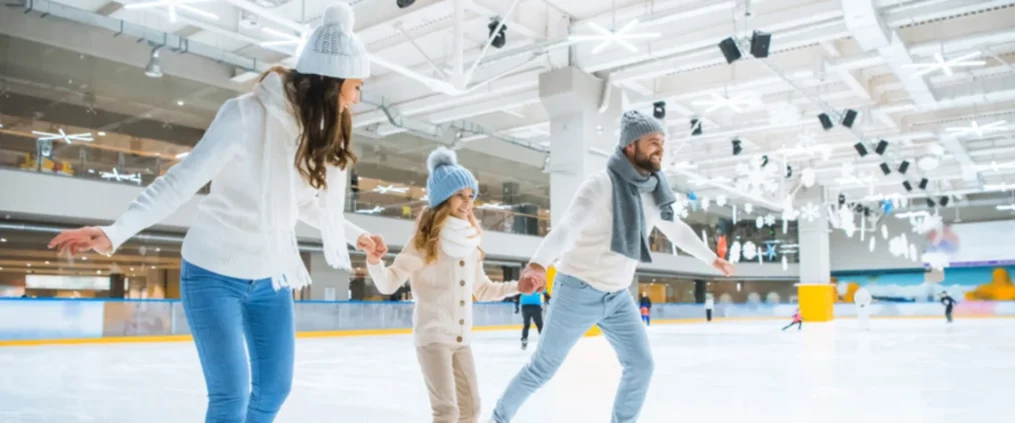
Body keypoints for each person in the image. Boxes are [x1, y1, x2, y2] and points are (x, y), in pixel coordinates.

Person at [47, 4, 386, 422]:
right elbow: (180, 181)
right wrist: (116, 230)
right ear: (331, 83)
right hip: (212, 274)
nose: (357, 99)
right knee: (230, 396)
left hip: (271, 276)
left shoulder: (310, 135)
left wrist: (357, 236)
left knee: (274, 390)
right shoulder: (244, 115)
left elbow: (304, 204)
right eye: (356, 86)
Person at [487, 111, 734, 423]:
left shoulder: (654, 190)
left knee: (641, 365)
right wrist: (538, 264)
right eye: (653, 142)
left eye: (662, 143)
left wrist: (712, 258)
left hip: (617, 296)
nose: (660, 148)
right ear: (630, 146)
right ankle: (497, 419)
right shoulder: (600, 186)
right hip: (576, 290)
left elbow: (677, 230)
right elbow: (567, 228)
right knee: (542, 367)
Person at [366, 147, 524, 423]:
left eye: (471, 196)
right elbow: (389, 283)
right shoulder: (423, 243)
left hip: (461, 340)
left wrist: (518, 286)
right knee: (446, 412)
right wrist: (374, 261)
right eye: (460, 196)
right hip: (432, 338)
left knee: (472, 408)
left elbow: (483, 289)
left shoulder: (470, 243)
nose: (468, 203)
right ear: (443, 199)